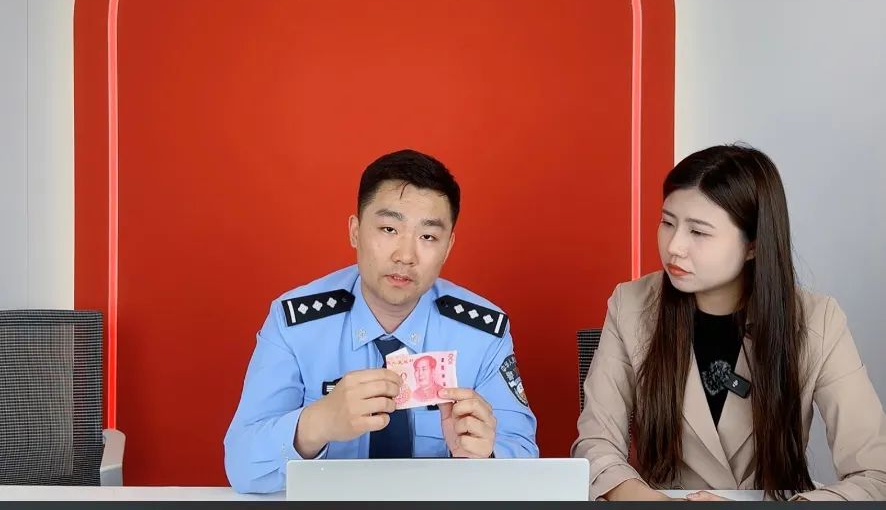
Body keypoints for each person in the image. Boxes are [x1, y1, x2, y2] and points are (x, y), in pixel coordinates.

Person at [572, 144, 886, 501]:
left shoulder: (819, 320)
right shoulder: (630, 304)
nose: (674, 246)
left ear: (753, 245)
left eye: (699, 232)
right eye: (668, 222)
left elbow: (875, 474)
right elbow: (596, 445)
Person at [224, 149, 538, 493]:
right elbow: (241, 466)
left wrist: (486, 457)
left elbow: (525, 460)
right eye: (389, 229)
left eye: (428, 237)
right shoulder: (295, 323)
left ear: (448, 247)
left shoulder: (483, 333)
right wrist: (317, 423)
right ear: (355, 231)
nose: (405, 256)